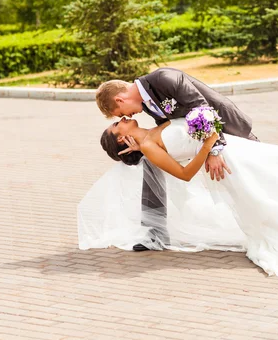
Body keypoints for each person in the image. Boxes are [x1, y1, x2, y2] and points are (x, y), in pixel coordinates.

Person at [77, 117, 278, 279]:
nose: (123, 118)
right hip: (229, 162)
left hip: (232, 149)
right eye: (117, 123)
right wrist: (208, 145)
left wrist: (208, 129)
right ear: (122, 139)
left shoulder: (153, 127)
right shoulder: (149, 149)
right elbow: (184, 174)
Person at [95, 67, 259, 251]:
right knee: (150, 163)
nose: (126, 117)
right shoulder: (147, 104)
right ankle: (155, 233)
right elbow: (168, 130)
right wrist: (141, 147)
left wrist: (214, 150)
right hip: (200, 139)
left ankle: (264, 217)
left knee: (258, 172)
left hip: (227, 127)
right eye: (120, 118)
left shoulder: (164, 79)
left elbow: (201, 108)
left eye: (119, 114)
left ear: (119, 99)